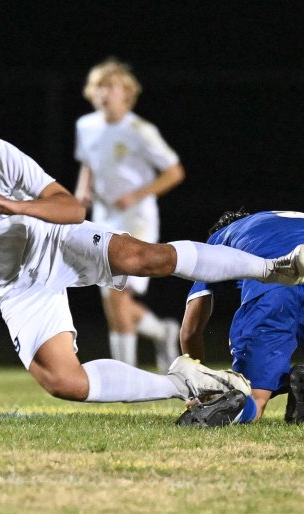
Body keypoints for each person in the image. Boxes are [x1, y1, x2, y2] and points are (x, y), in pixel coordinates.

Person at [0, 83, 304, 410]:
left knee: (143, 257)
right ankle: (182, 382)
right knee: (62, 382)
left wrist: (17, 208)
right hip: (13, 286)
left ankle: (272, 268)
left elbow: (70, 209)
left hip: (53, 240)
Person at [178, 209, 304, 425]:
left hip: (271, 293)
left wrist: (201, 386)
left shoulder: (219, 240)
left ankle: (223, 409)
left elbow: (190, 330)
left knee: (254, 401)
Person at [74, 58, 185, 372]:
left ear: (127, 92)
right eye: (98, 86)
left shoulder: (140, 130)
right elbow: (88, 163)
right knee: (114, 299)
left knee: (115, 293)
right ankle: (162, 332)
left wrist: (136, 194)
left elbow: (175, 172)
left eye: (111, 86)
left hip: (137, 220)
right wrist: (81, 193)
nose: (103, 92)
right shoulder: (86, 125)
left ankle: (125, 375)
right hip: (103, 219)